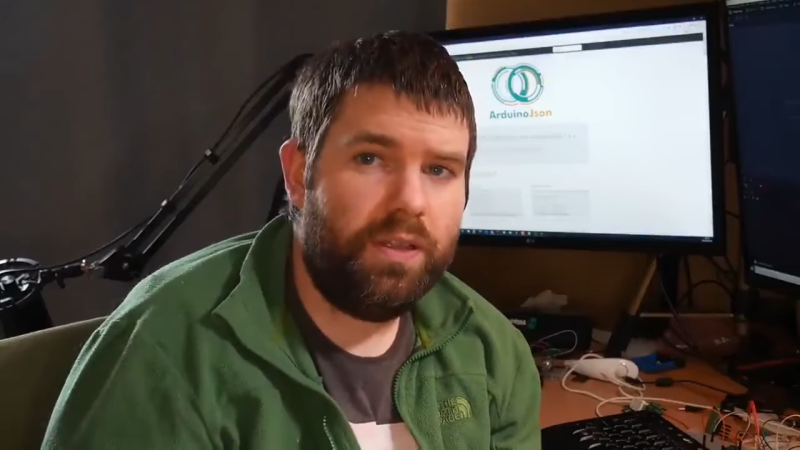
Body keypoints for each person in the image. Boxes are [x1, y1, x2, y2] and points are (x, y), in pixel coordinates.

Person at [42, 30, 541, 450]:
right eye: (370, 159)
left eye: (439, 170)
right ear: (299, 174)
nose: (410, 201)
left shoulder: (494, 354)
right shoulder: (164, 351)